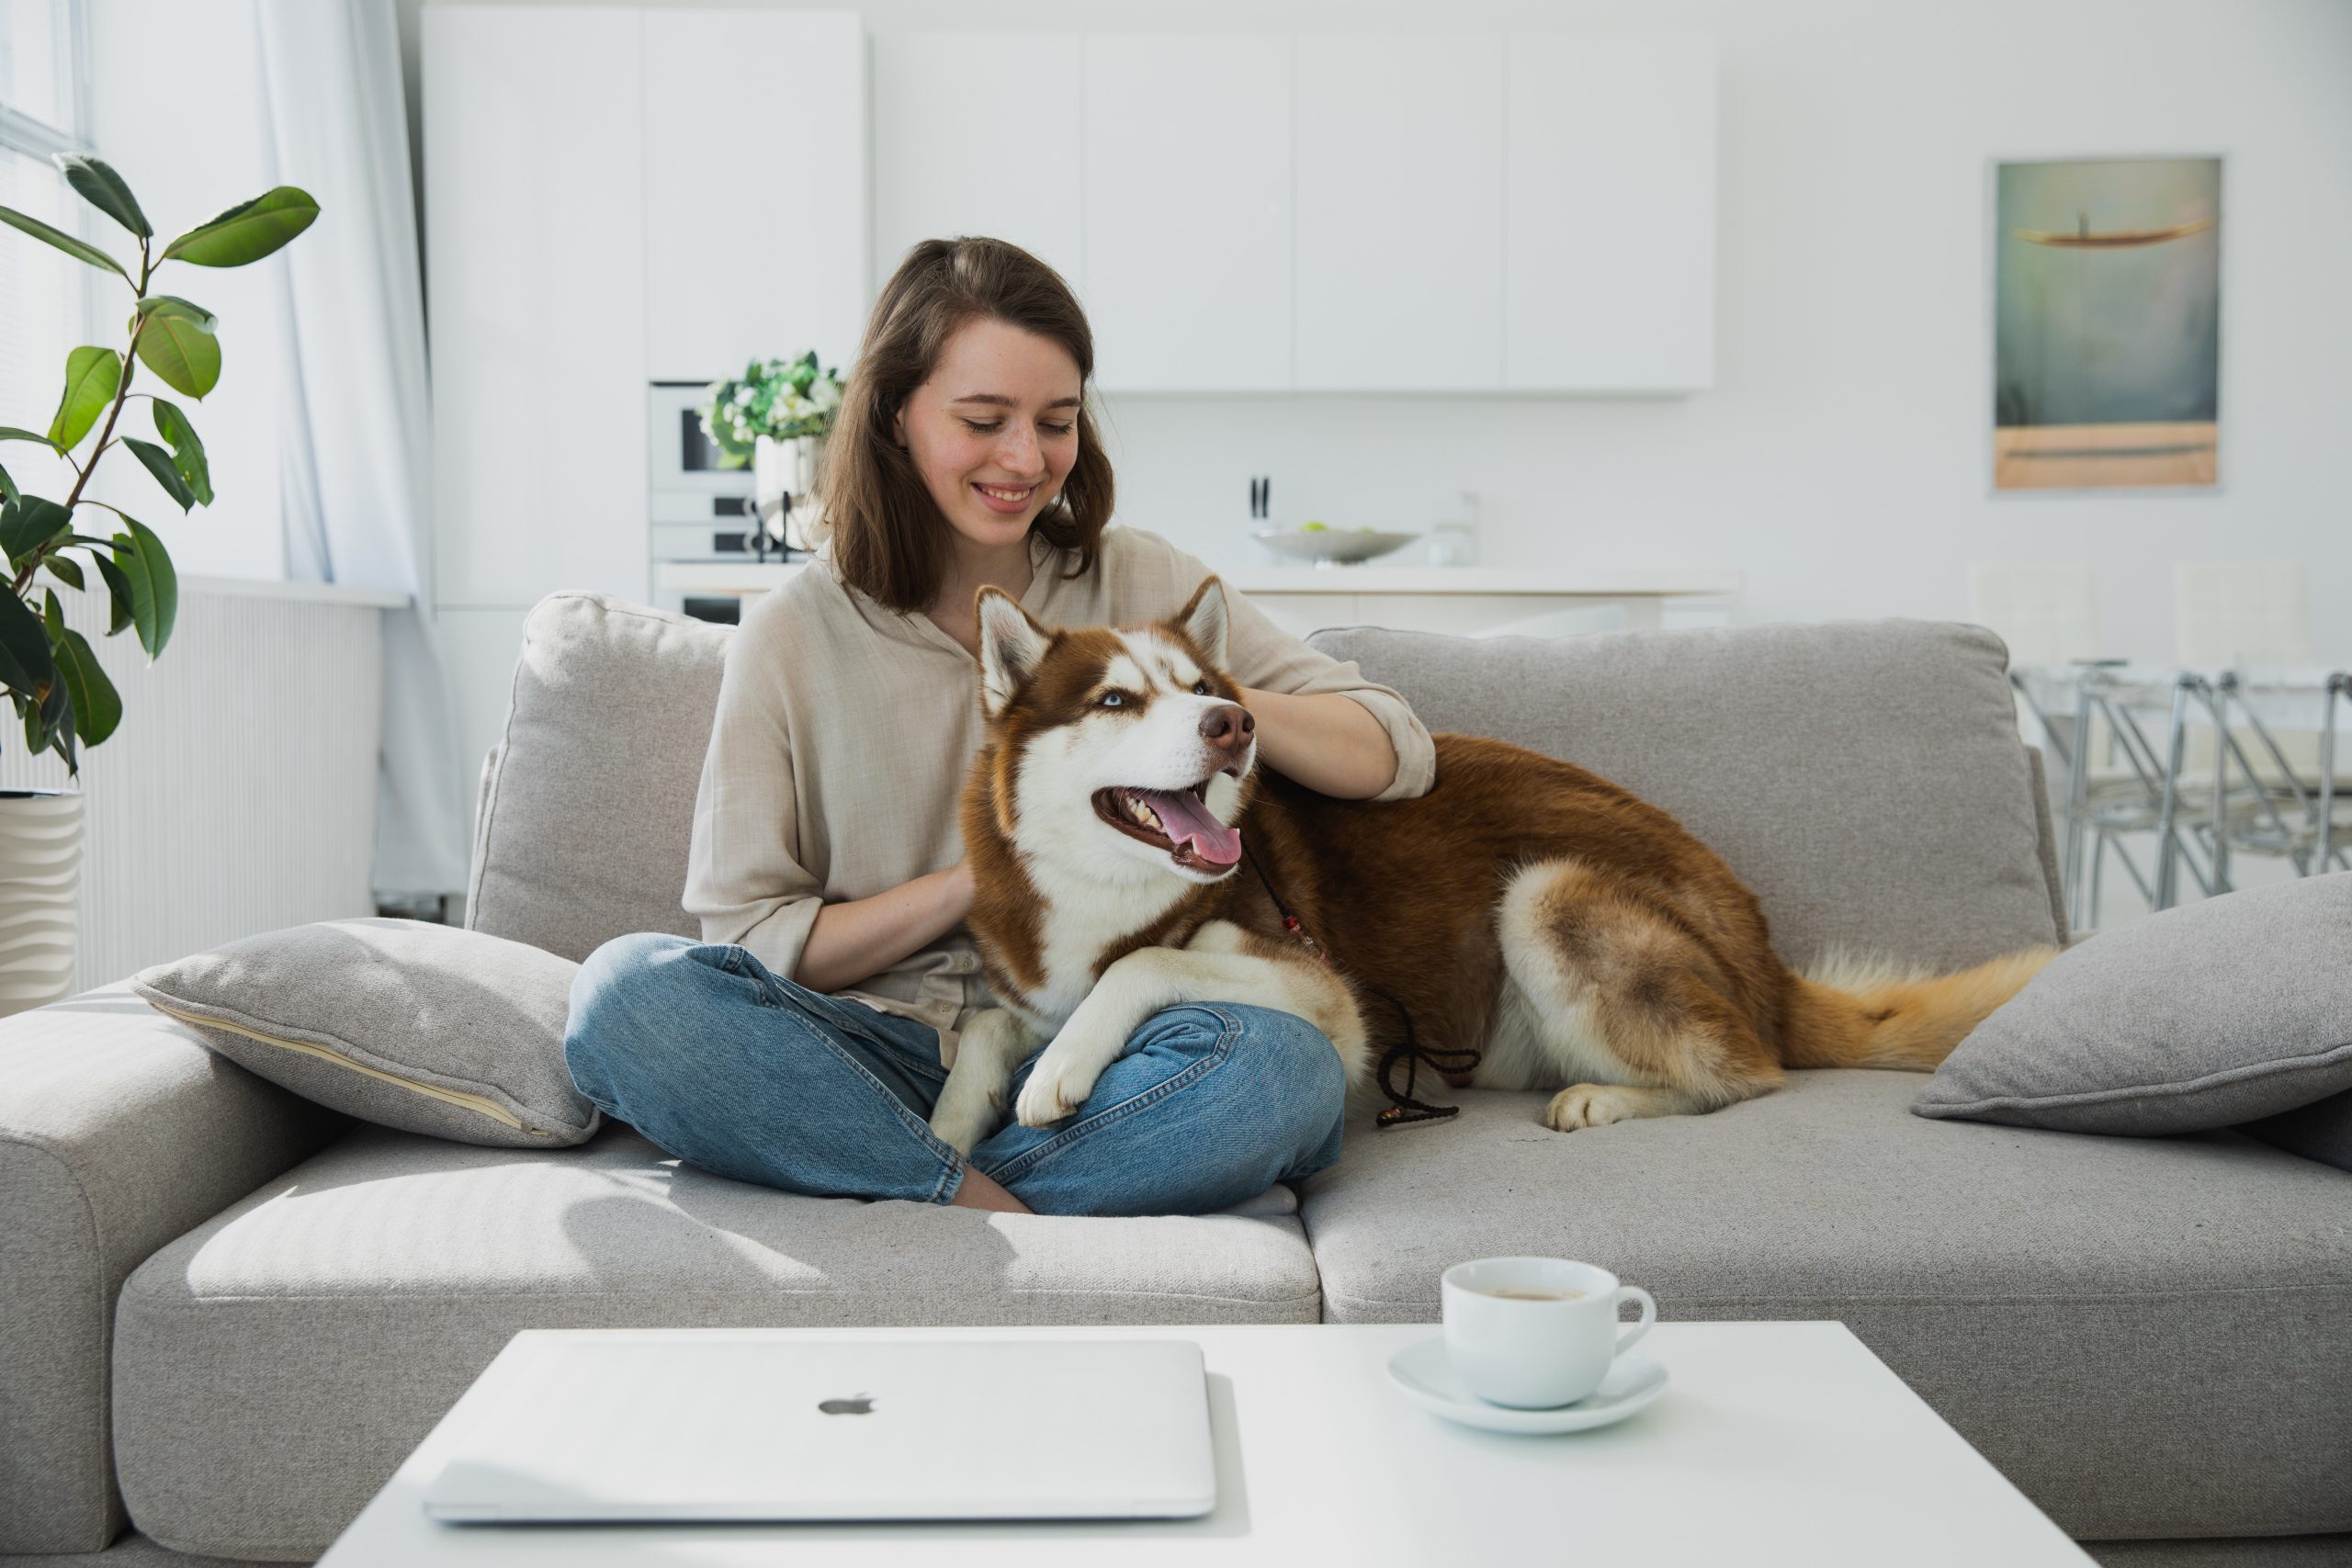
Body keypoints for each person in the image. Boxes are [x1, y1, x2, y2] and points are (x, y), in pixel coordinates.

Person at [563, 237, 1435, 1217]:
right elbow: (758, 941)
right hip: (876, 1051)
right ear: (897, 415)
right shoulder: (791, 637)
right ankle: (985, 1197)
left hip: (1109, 1047)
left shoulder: (1137, 583)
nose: (1025, 460)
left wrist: (1182, 702)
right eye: (984, 421)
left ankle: (923, 1195)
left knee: (1280, 1071)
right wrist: (983, 874)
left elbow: (1389, 748)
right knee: (624, 997)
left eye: (1055, 424)